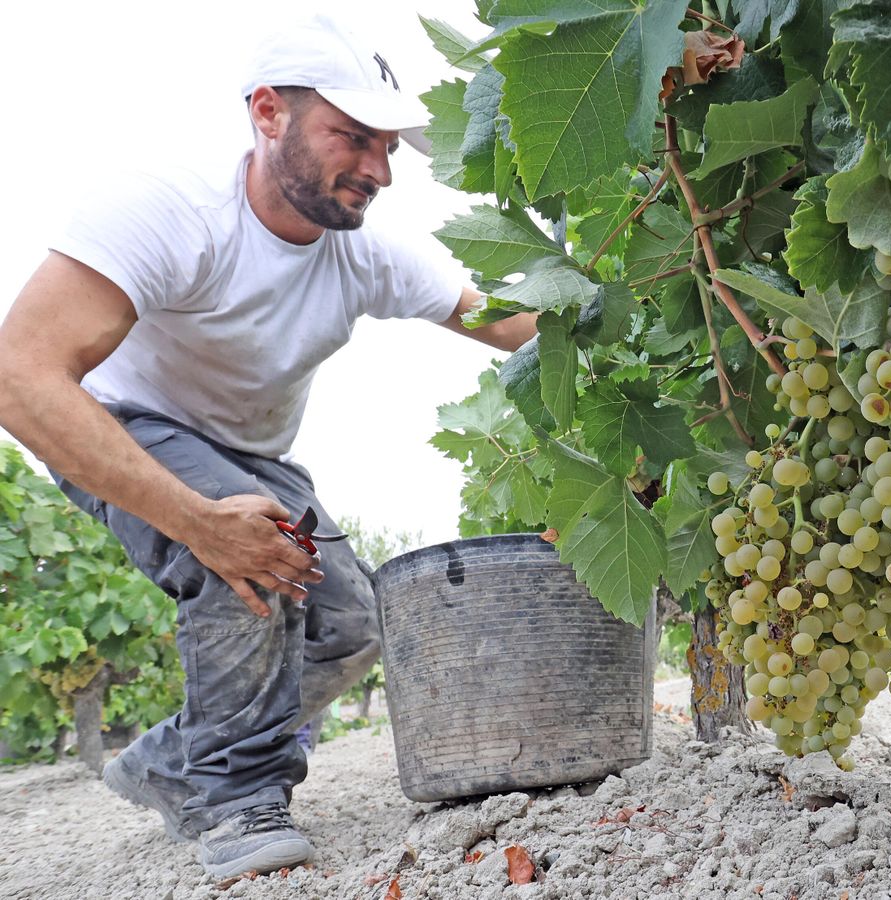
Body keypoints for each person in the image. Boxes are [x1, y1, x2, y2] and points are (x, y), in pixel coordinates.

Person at [0, 16, 537, 880]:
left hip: (256, 453)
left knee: (354, 625)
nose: (377, 169)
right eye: (352, 137)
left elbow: (508, 320)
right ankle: (236, 796)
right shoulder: (170, 211)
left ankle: (176, 757)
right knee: (250, 562)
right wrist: (199, 522)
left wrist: (647, 330)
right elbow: (19, 376)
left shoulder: (365, 252)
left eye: (388, 147)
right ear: (266, 113)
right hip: (128, 425)